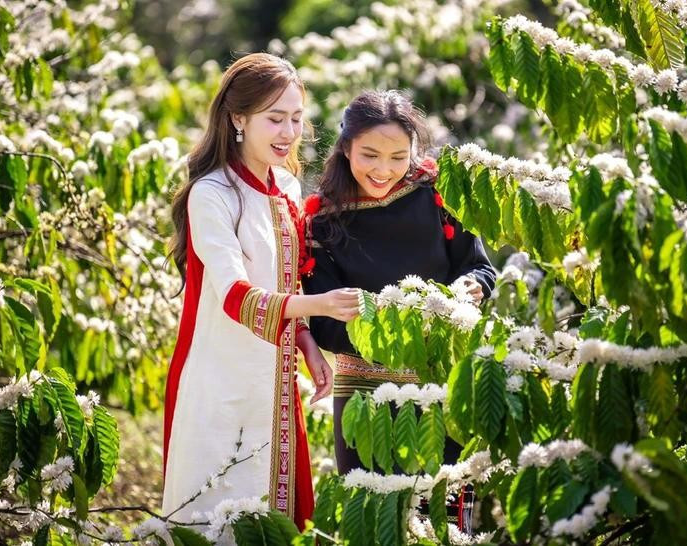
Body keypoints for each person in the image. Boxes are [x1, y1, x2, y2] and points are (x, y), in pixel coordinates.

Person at [161, 53, 360, 536]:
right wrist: (317, 306)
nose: (289, 132)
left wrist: (307, 340)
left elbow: (283, 282)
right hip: (219, 380)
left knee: (273, 517)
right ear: (237, 119)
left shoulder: (287, 186)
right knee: (217, 518)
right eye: (275, 118)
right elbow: (235, 295)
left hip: (274, 379)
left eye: (296, 117)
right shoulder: (211, 194)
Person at [301, 90, 496, 476]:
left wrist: (473, 286)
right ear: (345, 147)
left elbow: (478, 267)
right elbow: (324, 322)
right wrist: (401, 330)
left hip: (442, 380)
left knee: (444, 512)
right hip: (363, 393)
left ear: (413, 151)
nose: (383, 170)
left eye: (398, 157)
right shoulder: (322, 221)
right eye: (369, 155)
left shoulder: (438, 194)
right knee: (372, 514)